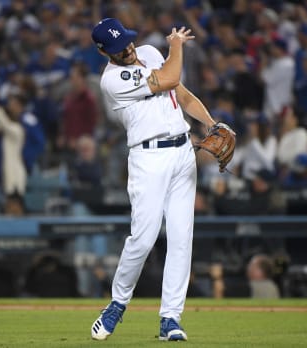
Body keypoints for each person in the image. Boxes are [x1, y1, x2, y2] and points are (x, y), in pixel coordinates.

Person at [90, 18, 222, 341]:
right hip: (148, 159)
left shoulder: (148, 51)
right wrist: (176, 46)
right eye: (120, 47)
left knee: (180, 238)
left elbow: (182, 91)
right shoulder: (111, 80)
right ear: (103, 51)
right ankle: (118, 302)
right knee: (144, 238)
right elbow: (169, 76)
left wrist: (210, 123)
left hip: (182, 151)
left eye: (128, 41)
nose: (129, 48)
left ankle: (170, 319)